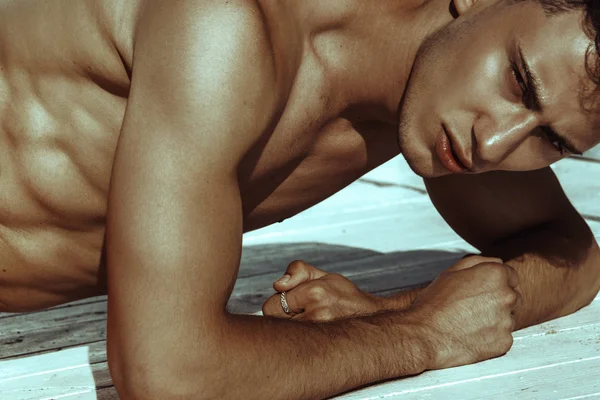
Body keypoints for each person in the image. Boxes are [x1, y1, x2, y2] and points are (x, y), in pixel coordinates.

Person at [1, 0, 599, 398]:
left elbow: (574, 256)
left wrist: (388, 309)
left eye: (551, 139)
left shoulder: (451, 109)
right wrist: (424, 334)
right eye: (518, 79)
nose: (496, 143)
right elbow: (169, 375)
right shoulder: (227, 25)